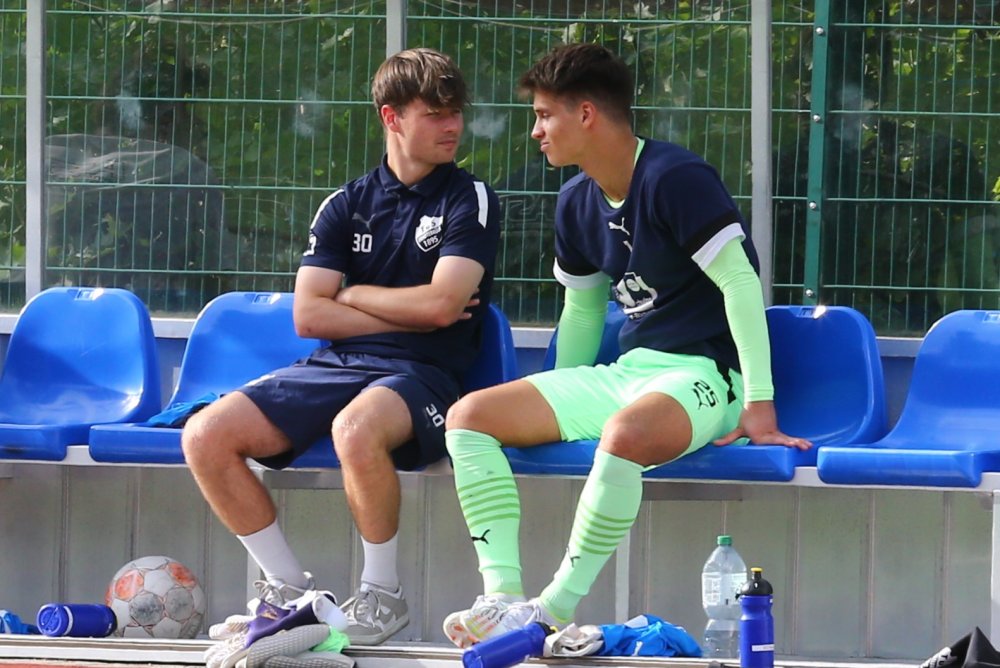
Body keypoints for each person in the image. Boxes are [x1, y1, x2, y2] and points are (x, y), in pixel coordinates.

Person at [441, 43, 811, 648]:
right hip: (629, 372)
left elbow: (742, 284)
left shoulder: (675, 178)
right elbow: (583, 311)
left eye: (544, 115)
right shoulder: (574, 200)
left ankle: (549, 611)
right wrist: (558, 397)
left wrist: (759, 406)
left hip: (706, 376)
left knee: (623, 435)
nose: (536, 131)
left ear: (586, 114)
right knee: (468, 418)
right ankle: (502, 598)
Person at [182, 47, 500, 646]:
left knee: (355, 429)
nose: (452, 125)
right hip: (338, 363)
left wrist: (353, 296)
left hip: (425, 372)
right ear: (391, 117)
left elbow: (441, 307)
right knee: (205, 435)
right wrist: (401, 308)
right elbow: (308, 315)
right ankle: (287, 593)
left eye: (456, 111)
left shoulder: (469, 198)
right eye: (435, 113)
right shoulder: (346, 203)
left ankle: (382, 596)